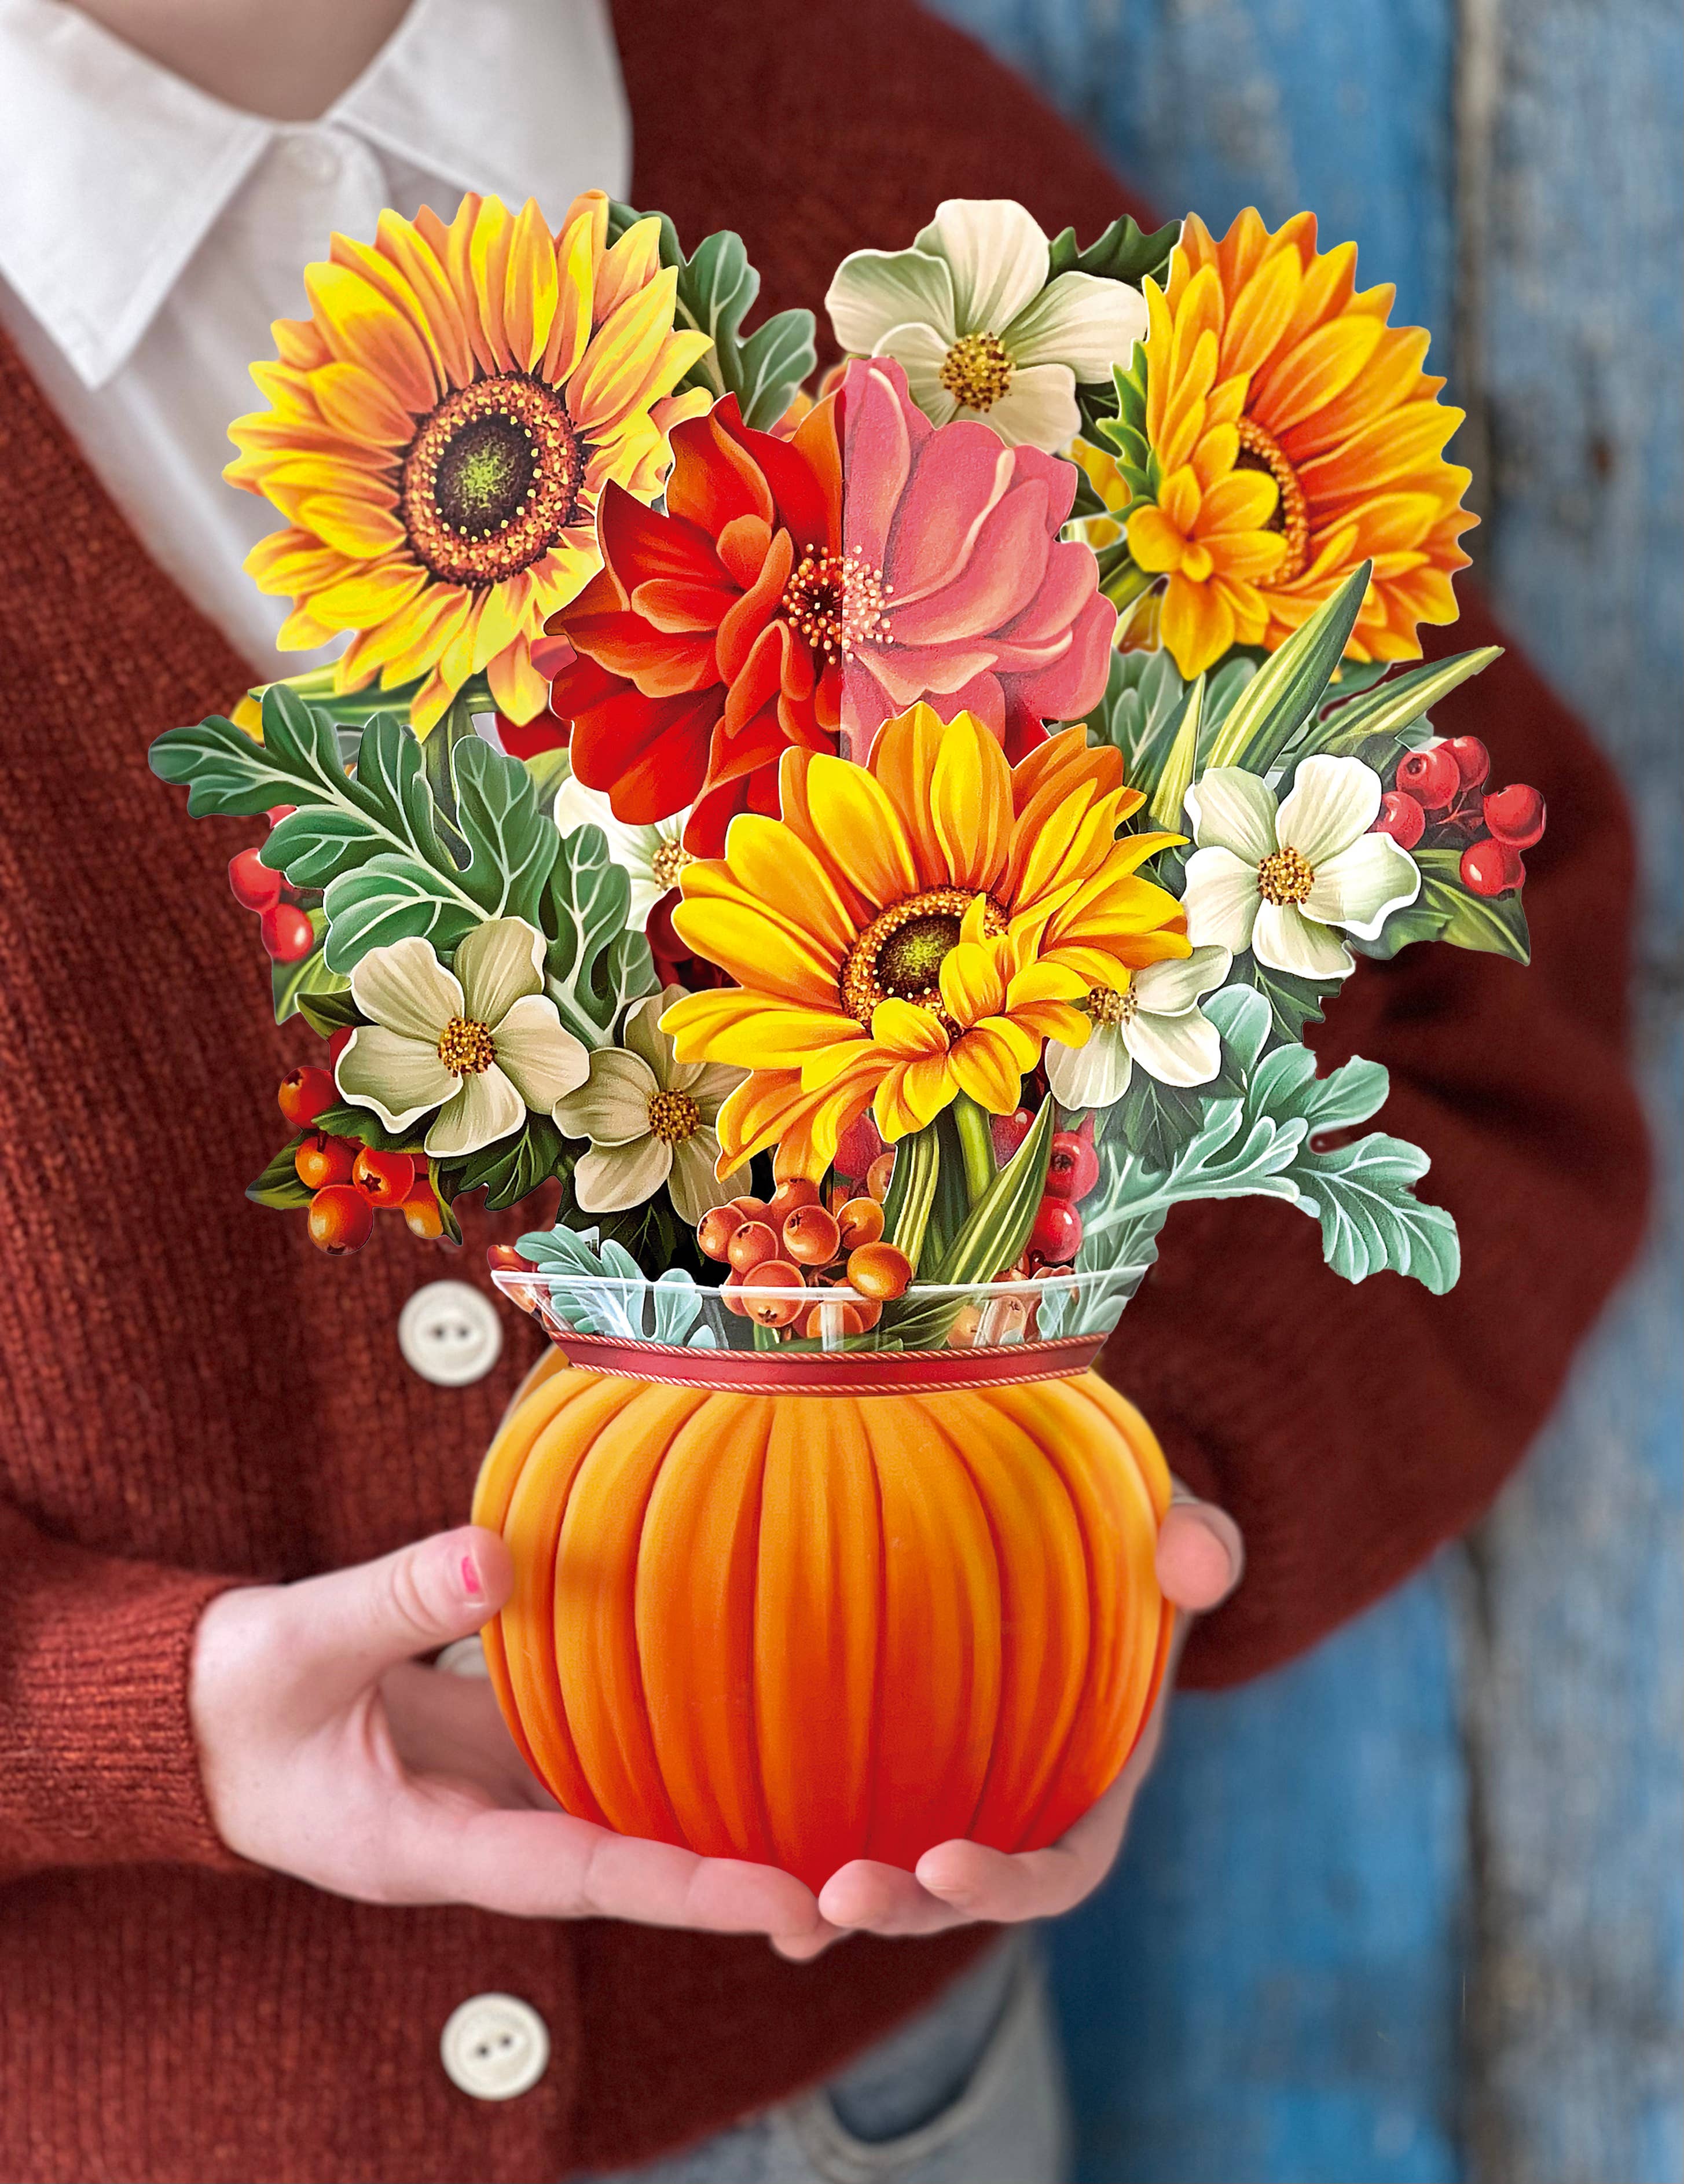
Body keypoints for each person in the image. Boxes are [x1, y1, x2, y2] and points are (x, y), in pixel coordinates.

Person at [0, 1, 1646, 2180]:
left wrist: (1106, 1550)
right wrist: (104, 1723)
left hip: (861, 2122)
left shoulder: (922, 214)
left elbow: (1476, 1000)